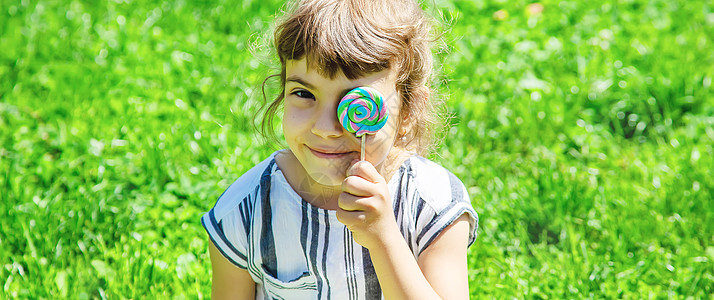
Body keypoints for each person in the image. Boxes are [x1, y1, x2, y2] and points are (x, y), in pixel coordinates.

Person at [201, 0, 478, 299]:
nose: (325, 127)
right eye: (304, 93)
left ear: (409, 110)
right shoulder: (247, 210)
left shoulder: (433, 205)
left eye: (353, 101)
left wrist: (384, 239)